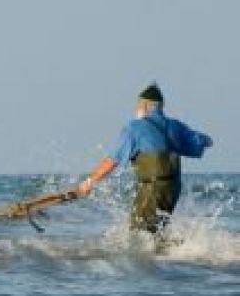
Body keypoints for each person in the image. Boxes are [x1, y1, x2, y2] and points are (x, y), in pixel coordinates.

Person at [76, 83, 214, 234]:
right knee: (157, 230)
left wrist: (89, 182)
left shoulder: (135, 128)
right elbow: (206, 141)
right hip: (173, 189)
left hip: (152, 189)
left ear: (144, 106)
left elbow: (112, 161)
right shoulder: (175, 126)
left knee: (138, 233)